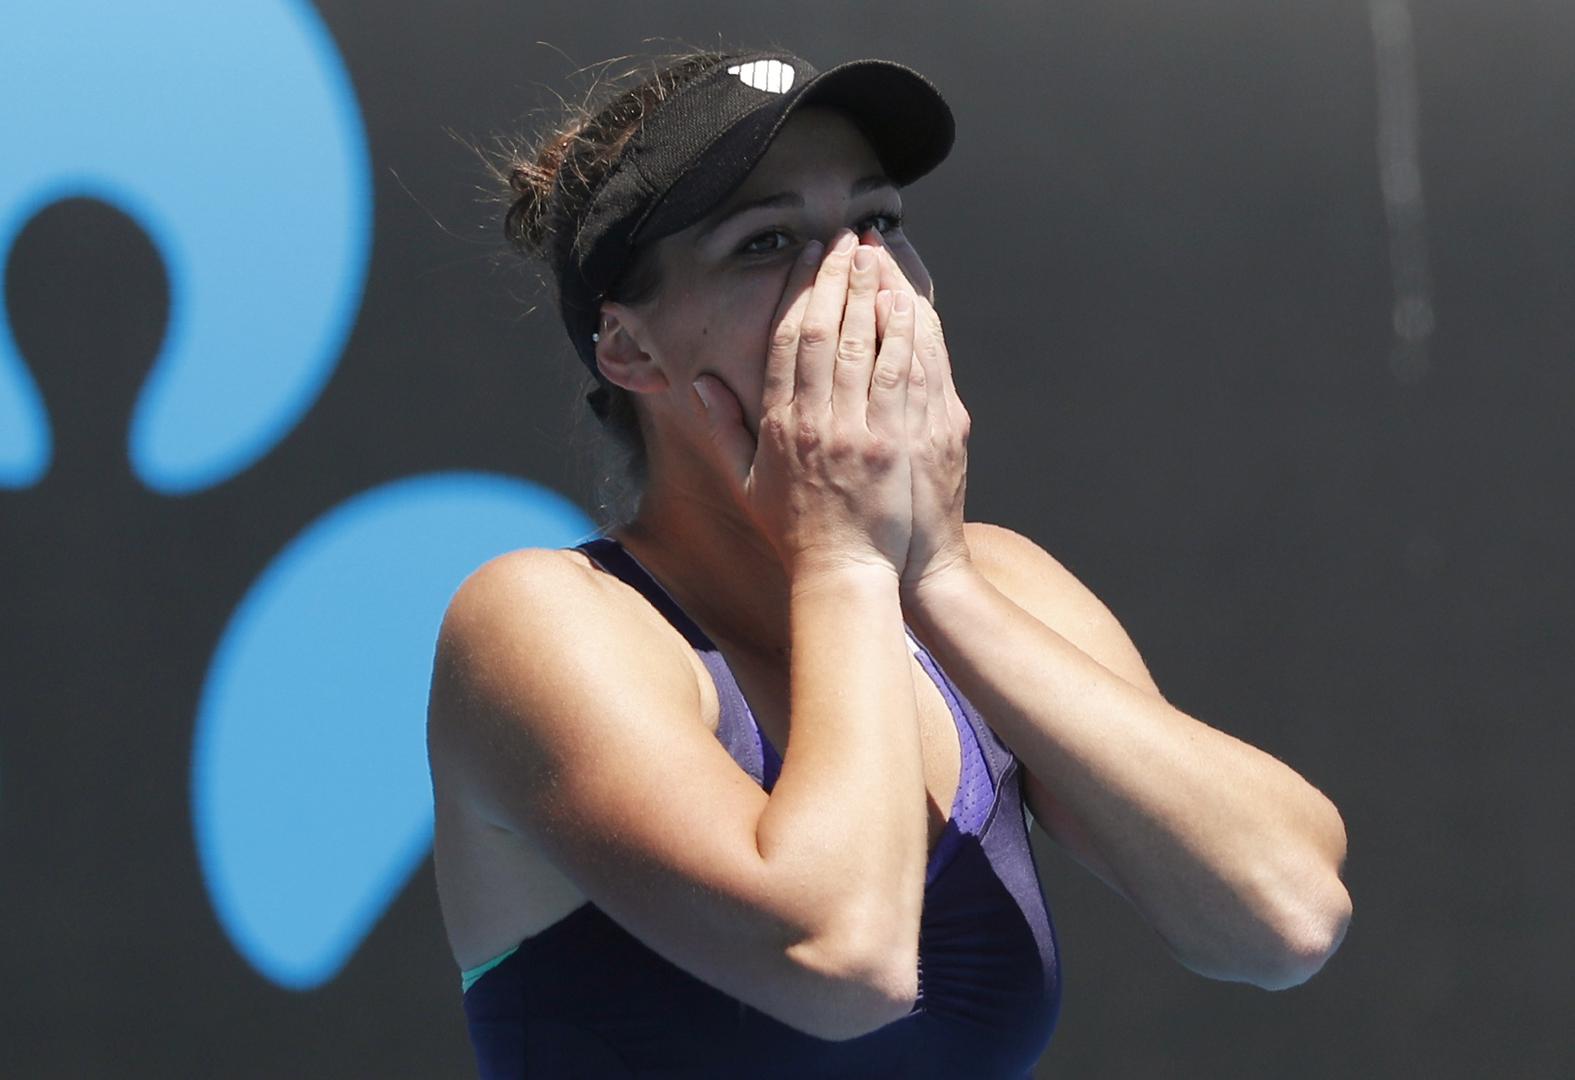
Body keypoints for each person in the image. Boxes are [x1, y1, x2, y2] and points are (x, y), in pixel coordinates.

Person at [426, 46, 1352, 1078]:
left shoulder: (991, 580)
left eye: (877, 221)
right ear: (631, 350)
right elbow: (842, 960)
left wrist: (939, 578)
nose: (858, 276)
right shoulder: (543, 620)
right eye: (767, 241)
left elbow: (1285, 918)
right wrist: (841, 558)